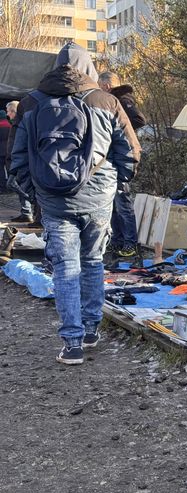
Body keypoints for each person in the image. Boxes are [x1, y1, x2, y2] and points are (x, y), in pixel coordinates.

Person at [9, 41, 140, 365]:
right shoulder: (106, 101)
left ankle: (72, 343)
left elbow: (17, 159)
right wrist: (114, 183)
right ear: (88, 67)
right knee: (93, 261)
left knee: (65, 268)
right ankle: (93, 328)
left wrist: (37, 191)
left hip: (53, 201)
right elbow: (131, 152)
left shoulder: (31, 103)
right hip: (98, 197)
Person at [98, 71, 147, 257]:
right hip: (113, 156)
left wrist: (121, 128)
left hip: (122, 157)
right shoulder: (112, 100)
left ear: (106, 86)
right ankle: (117, 240)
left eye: (99, 85)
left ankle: (130, 243)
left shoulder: (123, 100)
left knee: (123, 202)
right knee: (112, 203)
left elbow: (140, 119)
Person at [5, 100, 36, 222]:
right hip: (17, 159)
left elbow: (18, 143)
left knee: (16, 185)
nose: (8, 114)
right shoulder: (16, 123)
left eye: (8, 111)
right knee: (21, 185)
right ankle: (27, 211)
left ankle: (32, 205)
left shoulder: (20, 123)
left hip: (19, 160)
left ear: (13, 111)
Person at [0, 110, 10, 191]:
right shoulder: (10, 125)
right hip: (9, 150)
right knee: (9, 168)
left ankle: (2, 187)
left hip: (0, 151)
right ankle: (11, 186)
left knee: (0, 170)